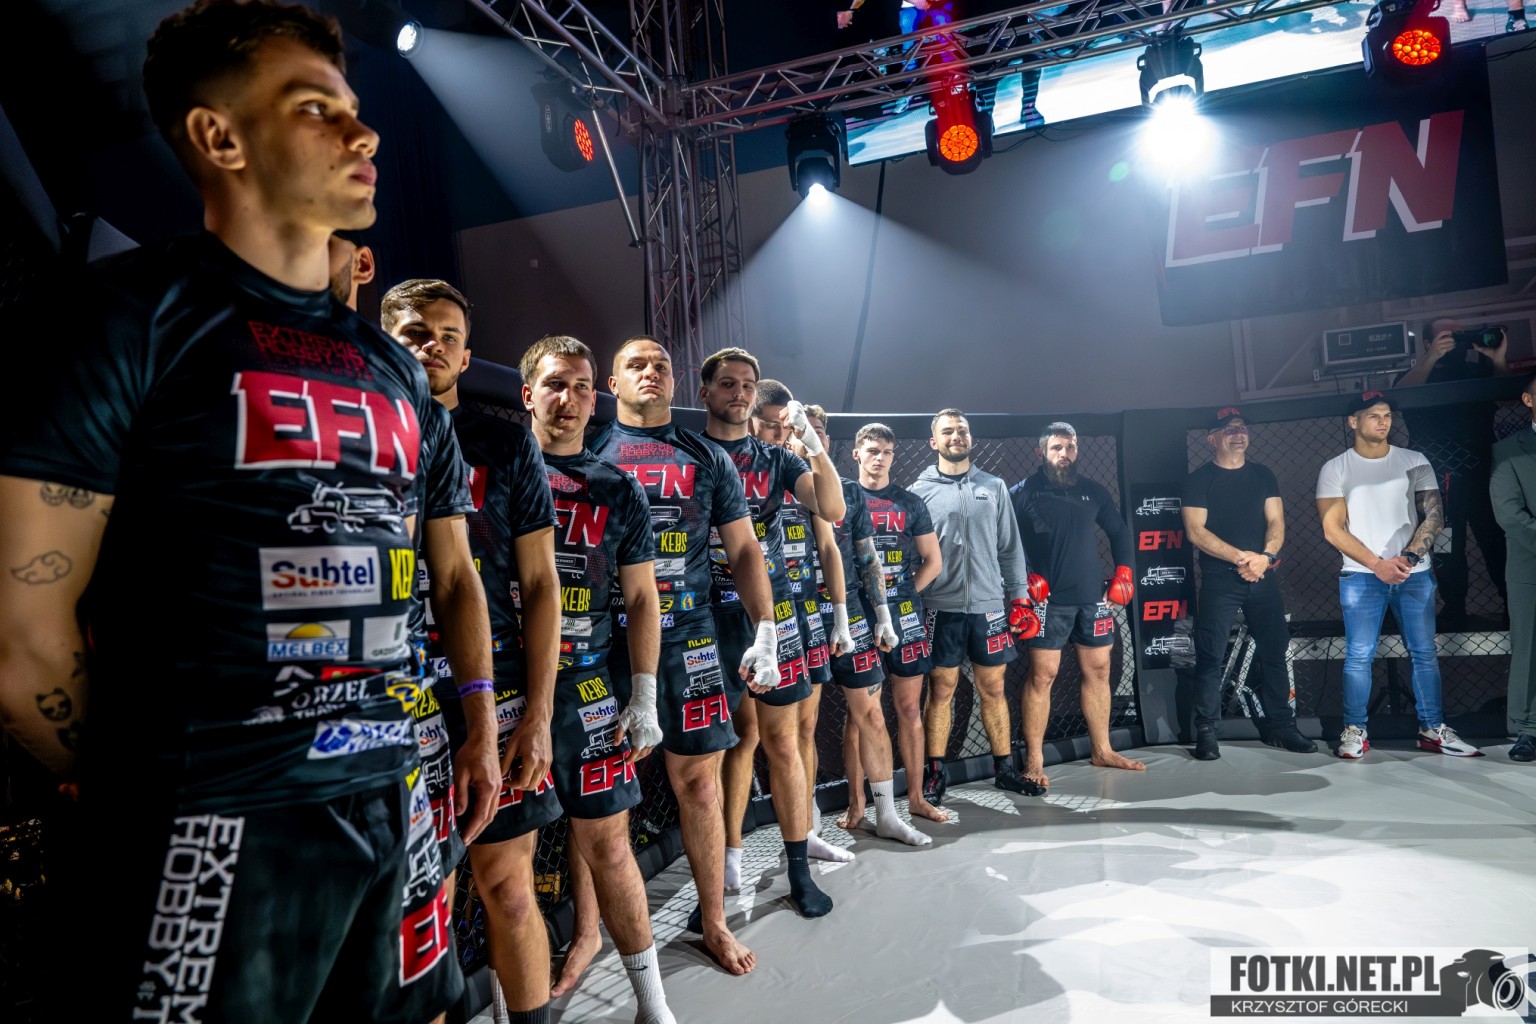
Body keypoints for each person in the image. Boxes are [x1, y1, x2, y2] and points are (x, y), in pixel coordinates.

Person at [0, 2, 495, 1019]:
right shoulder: (124, 318)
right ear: (218, 137)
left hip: (395, 798)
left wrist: (463, 732)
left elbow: (445, 576)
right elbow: (22, 636)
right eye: (317, 109)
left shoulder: (395, 371)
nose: (364, 134)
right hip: (212, 827)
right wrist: (149, 781)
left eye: (356, 108)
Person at [380, 279, 564, 1023]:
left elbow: (542, 583)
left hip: (497, 687)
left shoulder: (504, 440)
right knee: (424, 909)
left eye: (450, 336)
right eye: (416, 332)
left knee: (511, 889)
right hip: (396, 691)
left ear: (466, 355)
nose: (434, 346)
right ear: (386, 338)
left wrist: (539, 715)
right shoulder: (361, 425)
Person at [578, 336, 767, 981]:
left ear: (676, 381)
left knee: (701, 784)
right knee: (600, 796)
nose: (651, 373)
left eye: (661, 365)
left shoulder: (705, 455)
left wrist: (767, 628)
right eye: (635, 365)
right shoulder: (589, 451)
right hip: (603, 644)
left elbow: (743, 549)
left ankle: (712, 920)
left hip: (690, 637)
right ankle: (586, 932)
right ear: (612, 382)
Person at [518, 334, 676, 1022]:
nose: (570, 398)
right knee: (509, 863)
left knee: (611, 846)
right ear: (528, 394)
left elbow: (642, 598)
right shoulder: (493, 469)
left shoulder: (616, 487)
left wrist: (643, 698)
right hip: (504, 685)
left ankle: (653, 1004)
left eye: (583, 386)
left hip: (586, 686)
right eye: (556, 384)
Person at [699, 351, 845, 917]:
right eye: (728, 383)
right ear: (706, 392)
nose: (738, 392)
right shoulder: (690, 453)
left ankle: (799, 871)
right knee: (725, 745)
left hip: (773, 611)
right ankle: (725, 863)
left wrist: (809, 440)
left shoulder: (775, 459)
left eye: (748, 384)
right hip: (708, 614)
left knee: (783, 742)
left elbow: (831, 507)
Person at [789, 406, 931, 845]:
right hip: (801, 614)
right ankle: (807, 820)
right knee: (804, 725)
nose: (814, 437)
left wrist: (883, 614)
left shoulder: (848, 491)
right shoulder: (777, 484)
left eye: (820, 432)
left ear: (829, 440)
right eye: (804, 431)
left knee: (871, 713)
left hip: (851, 613)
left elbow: (868, 557)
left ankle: (887, 813)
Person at [1316, 391, 1482, 759]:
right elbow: (1332, 529)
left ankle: (1432, 729)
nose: (1383, 421)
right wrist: (1377, 564)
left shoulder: (1414, 460)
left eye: (1387, 415)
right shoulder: (1336, 468)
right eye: (1373, 415)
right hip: (1361, 574)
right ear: (1353, 421)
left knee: (1423, 652)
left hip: (1413, 573)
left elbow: (1434, 517)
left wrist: (1406, 558)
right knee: (1359, 655)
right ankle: (1355, 730)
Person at [910, 409, 1043, 800]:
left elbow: (1010, 549)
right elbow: (912, 553)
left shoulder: (994, 486)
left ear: (970, 438)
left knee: (994, 687)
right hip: (940, 606)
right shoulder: (919, 491)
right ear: (933, 442)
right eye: (947, 431)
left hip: (989, 607)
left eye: (962, 430)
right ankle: (936, 774)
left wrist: (1019, 600)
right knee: (941, 689)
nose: (956, 436)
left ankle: (1005, 769)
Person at [752, 382, 856, 864]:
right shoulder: (746, 467)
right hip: (753, 609)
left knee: (805, 725)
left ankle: (807, 823)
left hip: (804, 611)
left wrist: (840, 618)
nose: (782, 433)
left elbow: (829, 546)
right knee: (750, 737)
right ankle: (735, 848)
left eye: (787, 427)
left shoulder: (801, 474)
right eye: (773, 425)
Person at [1010, 422, 1146, 789]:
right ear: (1041, 452)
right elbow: (1004, 542)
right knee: (1042, 675)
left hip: (1092, 597)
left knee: (1099, 670)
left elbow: (1119, 532)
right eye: (1057, 447)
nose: (1064, 454)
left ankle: (1102, 749)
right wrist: (1022, 580)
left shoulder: (1092, 490)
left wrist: (1124, 573)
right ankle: (1034, 759)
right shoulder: (1021, 493)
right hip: (1046, 600)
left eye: (1070, 447)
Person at [1182, 407, 1316, 760]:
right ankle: (1207, 731)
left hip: (1262, 576)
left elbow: (1276, 522)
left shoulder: (1262, 475)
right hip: (1220, 579)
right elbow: (1195, 531)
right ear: (1212, 439)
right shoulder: (1199, 480)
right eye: (1229, 430)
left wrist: (1265, 558)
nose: (1238, 434)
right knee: (1211, 655)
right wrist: (1242, 558)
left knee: (1274, 651)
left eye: (1242, 428)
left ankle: (1282, 727)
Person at [845, 422, 949, 823]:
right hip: (858, 616)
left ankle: (918, 798)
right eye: (872, 450)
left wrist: (903, 597)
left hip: (905, 617)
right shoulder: (843, 499)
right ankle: (857, 804)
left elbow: (933, 561)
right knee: (860, 715)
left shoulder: (910, 503)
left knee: (909, 709)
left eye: (887, 452)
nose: (880, 458)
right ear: (857, 453)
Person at [1395, 318, 1510, 623]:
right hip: (1438, 477)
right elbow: (1400, 395)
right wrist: (1432, 356)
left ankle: (1513, 604)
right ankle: (1454, 606)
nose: (1456, 339)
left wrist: (1498, 359)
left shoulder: (1477, 370)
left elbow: (1508, 394)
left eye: (1460, 333)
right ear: (1427, 342)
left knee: (1495, 539)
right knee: (1445, 544)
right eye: (1448, 334)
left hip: (1483, 472)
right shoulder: (1418, 373)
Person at [1490, 372, 1536, 763]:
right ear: (1528, 400)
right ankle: (1529, 729)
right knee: (1530, 647)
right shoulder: (1508, 450)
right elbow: (1509, 514)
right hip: (1529, 565)